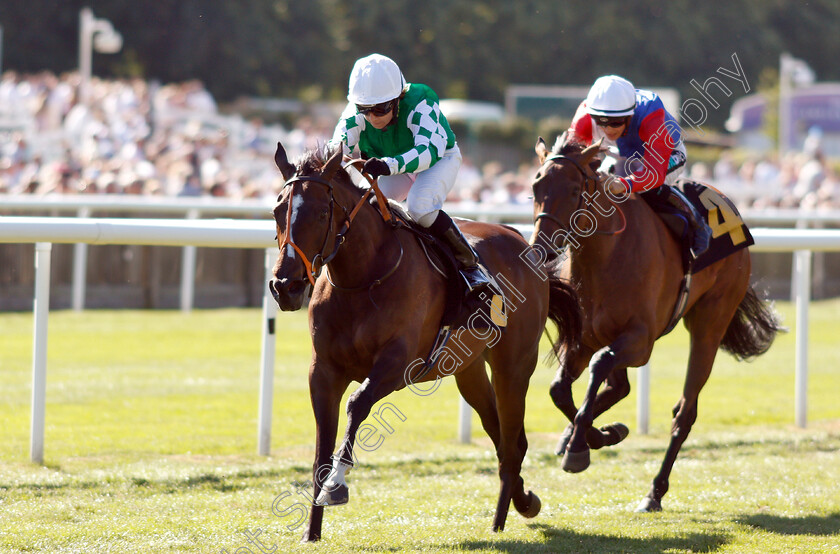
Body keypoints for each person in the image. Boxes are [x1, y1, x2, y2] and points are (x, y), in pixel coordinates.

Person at [330, 53, 494, 295]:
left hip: (438, 160)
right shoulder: (354, 113)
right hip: (398, 165)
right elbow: (335, 148)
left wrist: (387, 165)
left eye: (381, 109)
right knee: (373, 208)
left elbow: (427, 151)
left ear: (398, 99)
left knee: (420, 207)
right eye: (365, 110)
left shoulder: (420, 102)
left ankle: (471, 265)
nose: (373, 117)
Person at [566, 75, 711, 258]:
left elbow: (654, 173)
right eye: (601, 121)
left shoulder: (651, 114)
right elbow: (571, 163)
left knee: (647, 190)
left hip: (665, 155)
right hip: (620, 154)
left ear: (630, 115)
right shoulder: (584, 115)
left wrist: (623, 184)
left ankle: (696, 222)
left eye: (616, 122)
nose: (608, 129)